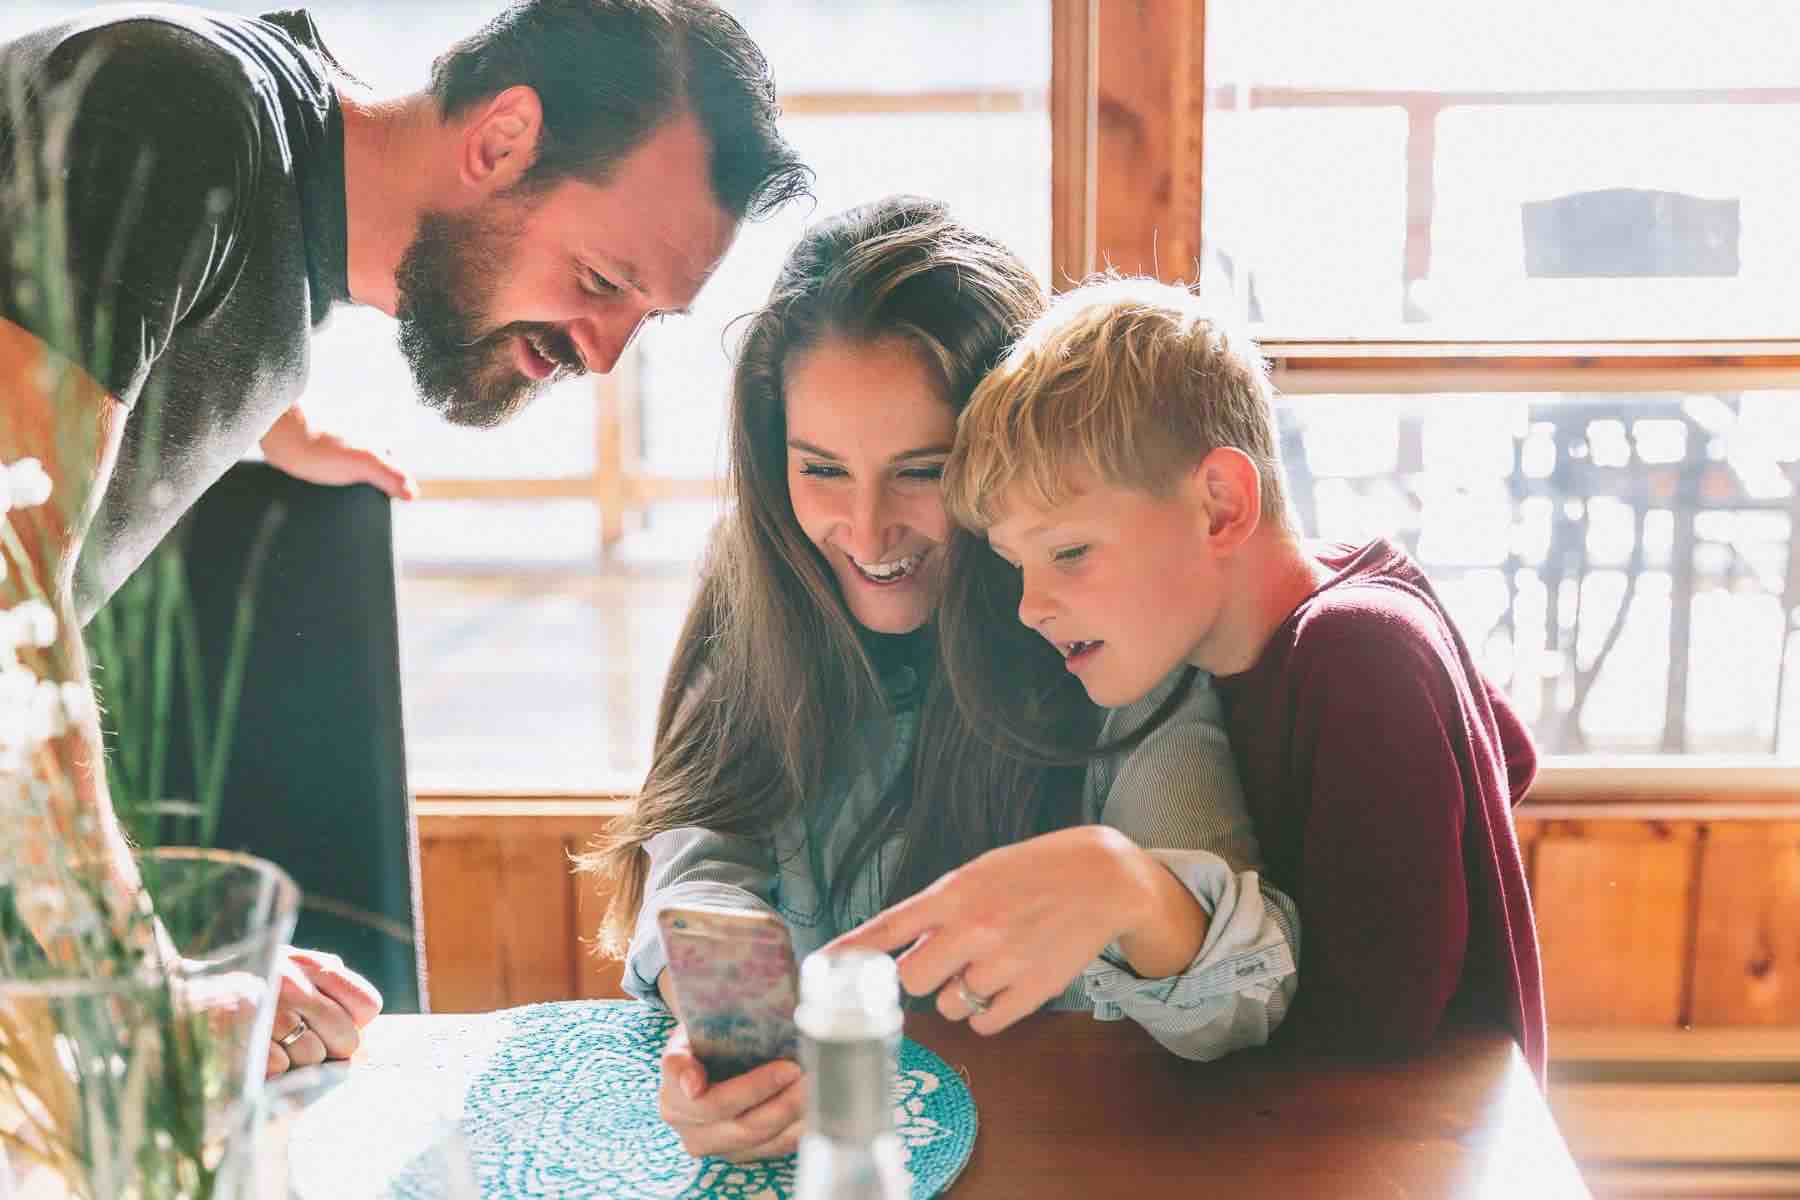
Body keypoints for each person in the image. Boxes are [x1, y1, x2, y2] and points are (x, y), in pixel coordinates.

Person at [0, 0, 809, 1075]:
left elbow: (117, 299)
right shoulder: (171, 109)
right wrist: (133, 975)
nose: (604, 355)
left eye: (643, 317)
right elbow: (10, 586)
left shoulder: (282, 163)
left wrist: (271, 422)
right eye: (602, 282)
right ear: (501, 140)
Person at [584, 196, 1298, 1163]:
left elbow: (1244, 1001)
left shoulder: (1110, 638)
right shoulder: (760, 583)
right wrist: (734, 1049)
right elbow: (703, 867)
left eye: (923, 470)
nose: (869, 533)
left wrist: (1130, 891)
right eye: (822, 470)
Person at [934, 275, 1547, 1080]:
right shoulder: (1349, 587)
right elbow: (1511, 754)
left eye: (1070, 552)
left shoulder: (1361, 649)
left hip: (1415, 1141)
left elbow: (1374, 1022)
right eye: (1018, 566)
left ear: (1221, 506)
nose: (1029, 607)